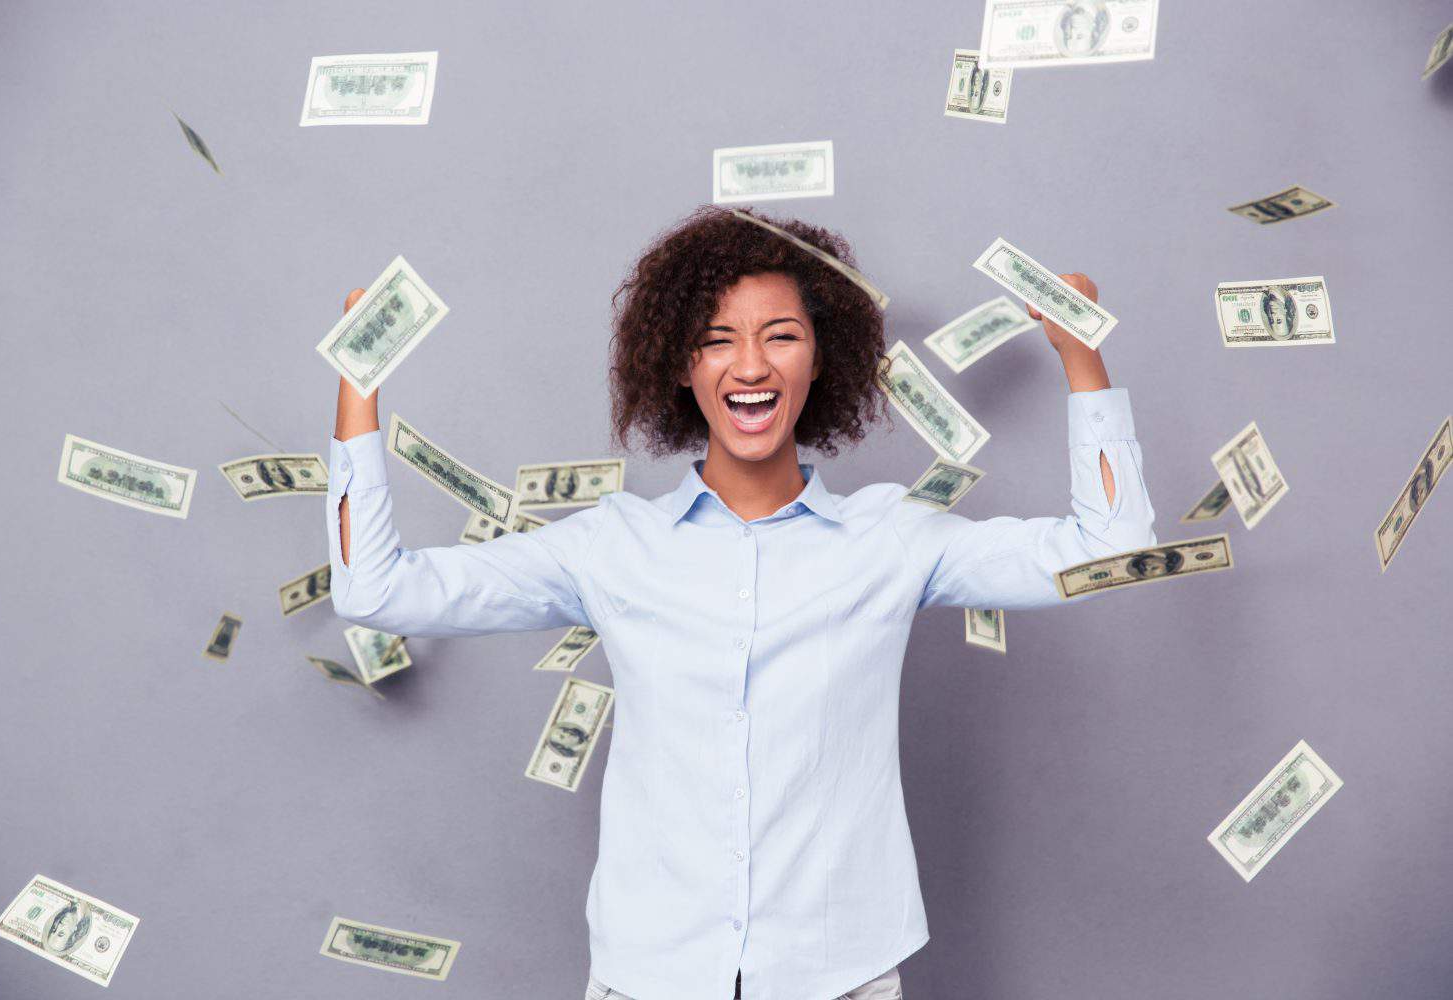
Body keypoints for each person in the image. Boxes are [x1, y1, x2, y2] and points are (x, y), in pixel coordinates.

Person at [326, 206, 1156, 1000]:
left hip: (842, 972)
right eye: (716, 341)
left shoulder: (892, 540)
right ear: (680, 366)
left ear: (821, 360)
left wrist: (1078, 351)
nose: (751, 365)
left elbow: (1108, 546)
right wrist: (358, 379)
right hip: (649, 974)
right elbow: (376, 588)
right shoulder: (610, 548)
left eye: (781, 337)